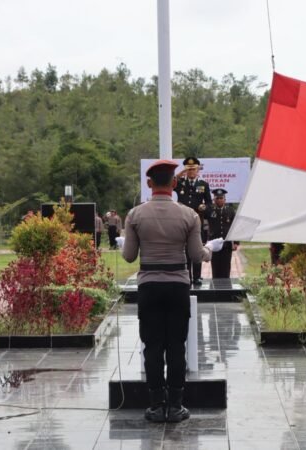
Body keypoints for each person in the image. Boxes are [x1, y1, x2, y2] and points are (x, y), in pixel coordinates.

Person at [118, 159, 223, 423]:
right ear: (174, 184)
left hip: (149, 286)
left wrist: (123, 243)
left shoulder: (135, 215)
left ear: (149, 183)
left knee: (152, 346)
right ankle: (175, 406)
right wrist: (211, 249)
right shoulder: (189, 215)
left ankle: (156, 404)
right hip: (178, 285)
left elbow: (130, 256)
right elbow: (196, 256)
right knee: (176, 345)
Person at [175, 156, 212, 285]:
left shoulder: (203, 184)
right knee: (184, 250)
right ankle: (186, 275)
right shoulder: (180, 183)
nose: (191, 172)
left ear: (198, 170)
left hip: (197, 220)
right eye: (188, 169)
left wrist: (204, 207)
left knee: (196, 248)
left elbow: (209, 203)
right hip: (182, 221)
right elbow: (169, 183)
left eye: (193, 169)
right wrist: (180, 174)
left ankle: (197, 276)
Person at [206, 189, 239, 279]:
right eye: (217, 198)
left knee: (226, 267)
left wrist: (236, 242)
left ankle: (226, 288)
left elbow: (235, 226)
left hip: (226, 244)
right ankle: (216, 290)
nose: (219, 200)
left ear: (225, 199)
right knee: (215, 267)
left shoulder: (230, 211)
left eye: (221, 198)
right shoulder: (210, 211)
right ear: (214, 199)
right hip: (214, 244)